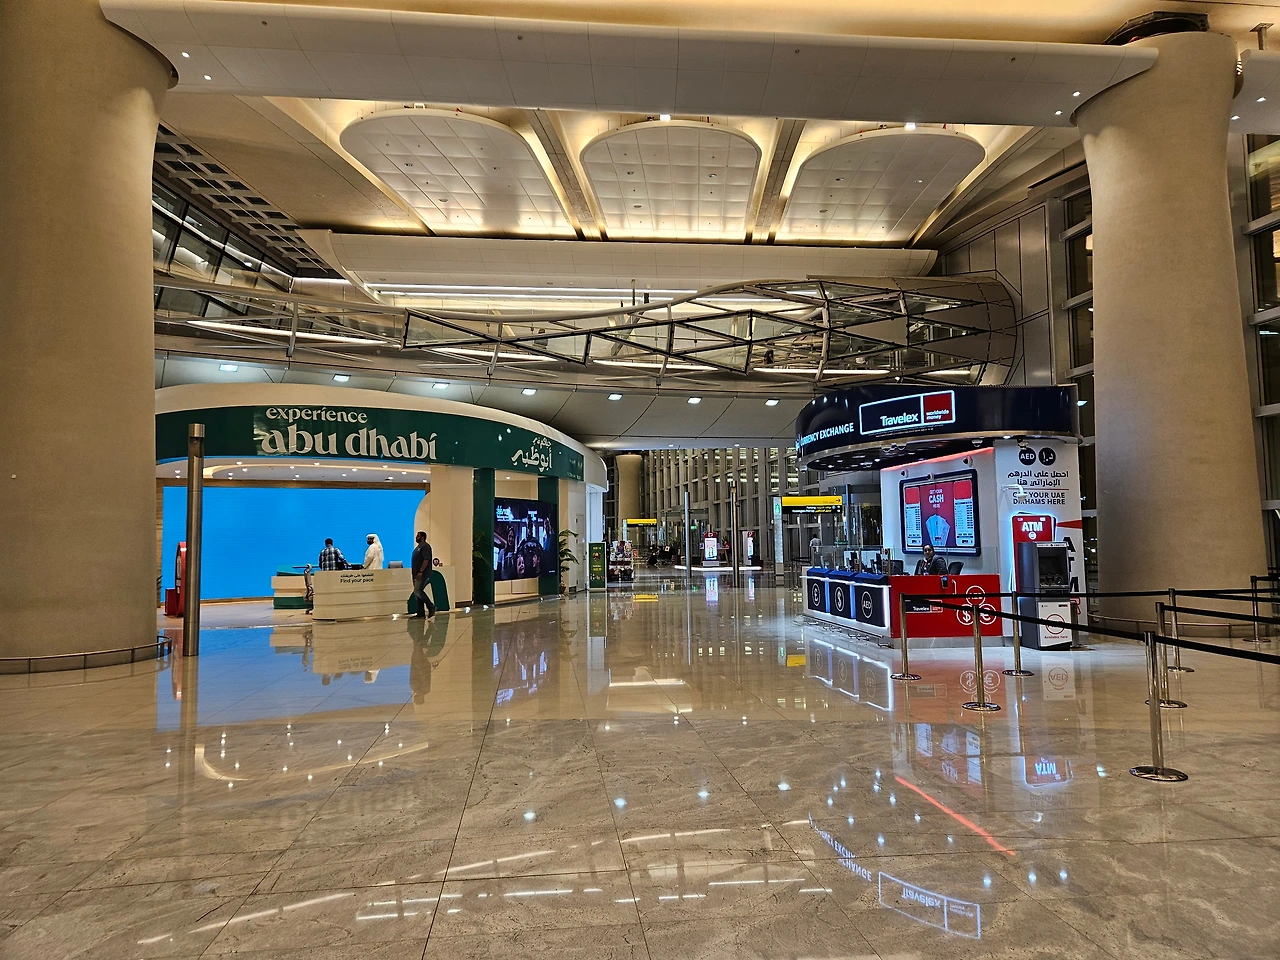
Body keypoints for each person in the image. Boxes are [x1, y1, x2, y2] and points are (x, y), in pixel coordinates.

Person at [411, 531, 436, 618]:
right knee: (417, 593)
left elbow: (426, 560)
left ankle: (431, 606)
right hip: (416, 574)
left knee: (418, 591)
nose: (416, 537)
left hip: (423, 573)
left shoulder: (425, 547)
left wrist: (421, 571)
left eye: (418, 536)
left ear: (422, 537)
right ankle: (420, 612)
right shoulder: (418, 547)